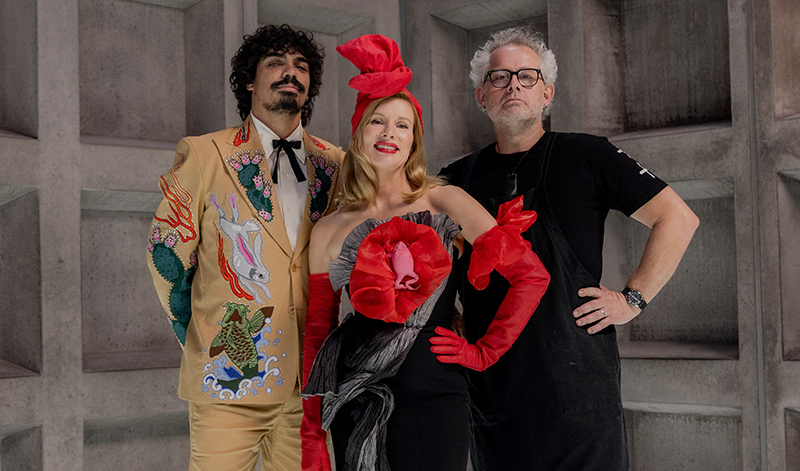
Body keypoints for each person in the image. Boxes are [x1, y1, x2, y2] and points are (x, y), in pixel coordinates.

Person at [439, 26, 700, 470]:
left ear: (548, 93)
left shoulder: (587, 156)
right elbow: (433, 265)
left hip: (578, 391)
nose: (514, 86)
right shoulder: (454, 179)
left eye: (527, 76)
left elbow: (677, 218)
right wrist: (453, 318)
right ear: (482, 96)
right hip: (493, 394)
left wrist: (632, 299)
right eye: (500, 78)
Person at [299, 34, 550, 471]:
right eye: (378, 121)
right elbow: (318, 334)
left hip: (437, 396)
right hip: (354, 394)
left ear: (414, 139)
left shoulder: (444, 201)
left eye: (402, 124)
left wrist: (484, 351)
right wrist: (311, 434)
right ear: (359, 131)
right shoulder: (329, 229)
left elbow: (531, 276)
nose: (389, 134)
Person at [146, 24, 344, 470]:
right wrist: (199, 337)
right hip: (227, 379)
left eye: (301, 66)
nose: (290, 72)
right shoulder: (203, 153)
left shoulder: (337, 163)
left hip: (310, 382)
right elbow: (167, 258)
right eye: (276, 62)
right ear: (250, 81)